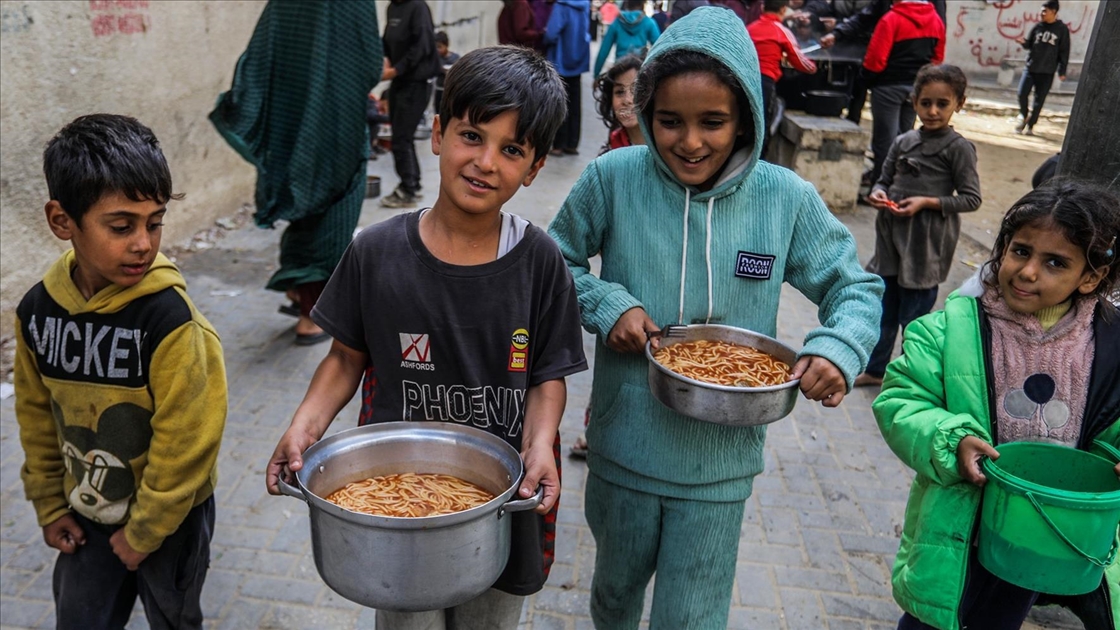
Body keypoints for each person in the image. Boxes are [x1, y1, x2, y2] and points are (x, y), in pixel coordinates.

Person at [547, 8, 884, 628]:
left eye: (714, 122)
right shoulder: (612, 179)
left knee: (693, 613)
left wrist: (838, 348)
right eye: (669, 121)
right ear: (645, 114)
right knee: (615, 596)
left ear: (747, 120)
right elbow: (552, 265)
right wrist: (606, 303)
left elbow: (855, 287)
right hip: (624, 446)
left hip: (722, 461)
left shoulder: (785, 198)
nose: (690, 142)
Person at [265, 45, 588, 629]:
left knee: (489, 620)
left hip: (503, 497)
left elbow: (547, 375)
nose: (485, 162)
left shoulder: (541, 262)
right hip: (396, 503)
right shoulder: (376, 250)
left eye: (511, 149)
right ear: (437, 134)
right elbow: (343, 359)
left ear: (534, 167)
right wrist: (303, 428)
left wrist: (540, 444)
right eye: (472, 136)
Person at [873, 178, 1120, 630]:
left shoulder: (1110, 346)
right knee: (933, 616)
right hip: (958, 525)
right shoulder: (948, 330)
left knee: (1000, 618)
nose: (1027, 272)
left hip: (1041, 532)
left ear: (1091, 277)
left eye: (1055, 263)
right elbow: (901, 400)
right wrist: (952, 440)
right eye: (1021, 251)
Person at [14, 114, 227, 629]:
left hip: (171, 519)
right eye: (121, 226)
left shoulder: (172, 322)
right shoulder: (37, 314)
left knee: (174, 619)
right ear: (62, 221)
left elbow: (189, 440)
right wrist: (49, 503)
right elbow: (36, 417)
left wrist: (145, 532)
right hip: (86, 509)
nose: (142, 243)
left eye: (154, 223)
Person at [209, 0, 383, 345]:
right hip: (337, 126)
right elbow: (369, 64)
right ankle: (311, 316)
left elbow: (260, 56)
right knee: (334, 218)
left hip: (292, 125)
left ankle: (296, 290)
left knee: (303, 208)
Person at [855, 64, 981, 387]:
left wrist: (927, 202)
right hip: (891, 240)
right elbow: (882, 180)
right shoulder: (903, 141)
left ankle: (910, 378)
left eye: (943, 104)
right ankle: (876, 368)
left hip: (926, 245)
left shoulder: (958, 148)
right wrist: (879, 194)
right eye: (926, 103)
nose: (933, 111)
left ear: (959, 104)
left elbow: (971, 199)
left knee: (914, 320)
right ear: (914, 102)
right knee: (884, 312)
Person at [569, 52, 648, 460]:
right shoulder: (608, 158)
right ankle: (593, 430)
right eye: (619, 91)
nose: (627, 99)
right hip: (621, 287)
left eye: (636, 90)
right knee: (613, 371)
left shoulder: (667, 146)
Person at [861, 0, 945, 188]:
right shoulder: (936, 21)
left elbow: (876, 59)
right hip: (916, 89)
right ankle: (899, 186)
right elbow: (937, 58)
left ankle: (879, 188)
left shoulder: (891, 20)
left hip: (888, 87)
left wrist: (867, 79)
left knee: (885, 141)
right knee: (906, 140)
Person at [379, 0, 442, 209]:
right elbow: (387, 41)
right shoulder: (392, 7)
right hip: (400, 79)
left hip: (416, 81)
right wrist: (385, 59)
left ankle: (409, 189)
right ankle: (411, 184)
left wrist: (395, 70)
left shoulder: (418, 7)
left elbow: (422, 46)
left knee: (401, 138)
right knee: (400, 136)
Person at [747, 0, 817, 155]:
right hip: (765, 82)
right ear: (784, 9)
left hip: (745, 80)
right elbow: (799, 60)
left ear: (763, 7)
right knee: (762, 125)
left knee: (746, 123)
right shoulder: (780, 30)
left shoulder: (750, 28)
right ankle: (759, 164)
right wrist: (813, 67)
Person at [542, 0, 592, 156]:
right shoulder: (584, 5)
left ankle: (558, 144)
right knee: (575, 104)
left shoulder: (561, 6)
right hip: (577, 61)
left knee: (559, 101)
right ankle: (572, 143)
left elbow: (551, 34)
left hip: (560, 60)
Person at [1015, 0, 1070, 136]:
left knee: (1039, 101)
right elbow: (1029, 45)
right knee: (1022, 93)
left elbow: (1064, 51)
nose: (1042, 14)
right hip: (1031, 68)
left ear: (1054, 12)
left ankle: (1030, 126)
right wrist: (1024, 43)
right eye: (1041, 10)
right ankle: (1024, 115)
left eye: (1045, 11)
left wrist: (1062, 70)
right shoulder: (1038, 26)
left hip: (1047, 72)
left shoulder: (1062, 30)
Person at [592, 0, 660, 78]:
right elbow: (660, 48)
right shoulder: (649, 22)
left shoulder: (617, 22)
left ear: (626, 4)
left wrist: (596, 74)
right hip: (639, 70)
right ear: (643, 4)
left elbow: (604, 50)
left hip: (620, 68)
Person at [432, 31, 460, 116]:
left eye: (440, 47)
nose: (438, 50)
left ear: (446, 45)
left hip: (451, 91)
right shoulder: (436, 58)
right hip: (439, 89)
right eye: (436, 47)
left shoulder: (455, 58)